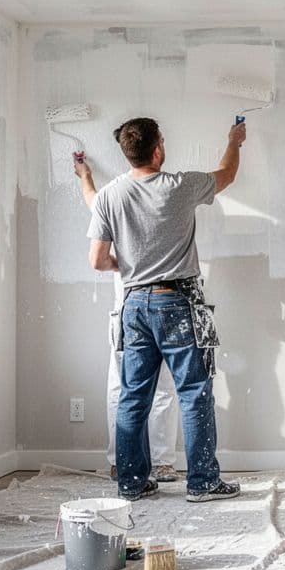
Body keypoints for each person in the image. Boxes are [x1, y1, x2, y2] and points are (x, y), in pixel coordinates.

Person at [87, 117, 245, 502]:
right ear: (157, 150)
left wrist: (130, 267)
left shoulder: (108, 196)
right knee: (193, 391)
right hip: (178, 302)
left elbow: (97, 260)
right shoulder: (179, 186)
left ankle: (132, 483)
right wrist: (234, 140)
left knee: (133, 395)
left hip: (133, 305)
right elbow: (226, 174)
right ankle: (203, 483)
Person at [74, 156, 180, 485]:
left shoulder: (114, 198)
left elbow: (94, 202)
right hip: (157, 305)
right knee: (159, 386)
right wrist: (85, 176)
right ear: (155, 152)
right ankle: (159, 463)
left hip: (127, 309)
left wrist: (85, 176)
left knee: (123, 387)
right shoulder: (166, 197)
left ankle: (123, 462)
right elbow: (94, 202)